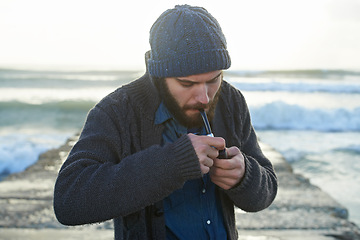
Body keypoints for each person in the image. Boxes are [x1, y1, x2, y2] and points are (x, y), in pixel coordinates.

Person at [53, 4, 278, 240]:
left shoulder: (231, 101)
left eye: (214, 79)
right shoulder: (118, 110)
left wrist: (245, 176)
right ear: (160, 76)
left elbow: (266, 190)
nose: (204, 97)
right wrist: (174, 163)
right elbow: (68, 201)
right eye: (187, 84)